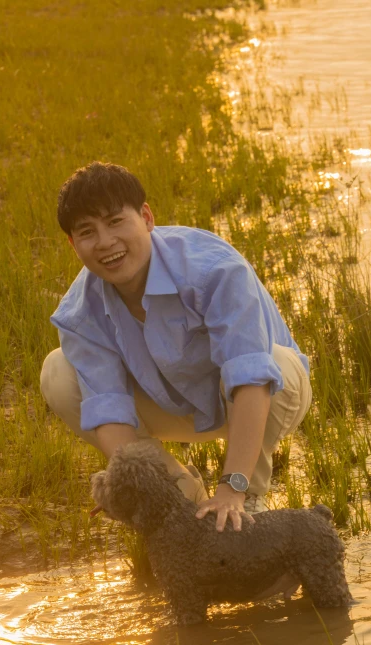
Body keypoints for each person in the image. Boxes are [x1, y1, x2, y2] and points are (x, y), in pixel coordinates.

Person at [40, 162, 312, 533]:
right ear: (73, 245)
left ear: (147, 217)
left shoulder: (215, 269)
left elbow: (250, 378)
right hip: (170, 406)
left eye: (116, 221)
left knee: (273, 363)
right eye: (88, 232)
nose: (105, 242)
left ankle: (248, 501)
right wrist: (136, 484)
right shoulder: (79, 312)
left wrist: (231, 487)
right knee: (58, 372)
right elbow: (110, 413)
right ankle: (177, 494)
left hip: (265, 399)